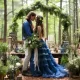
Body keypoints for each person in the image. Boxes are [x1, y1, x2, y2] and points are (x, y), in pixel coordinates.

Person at [22, 11, 36, 76]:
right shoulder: (26, 23)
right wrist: (34, 37)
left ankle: (26, 69)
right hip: (27, 41)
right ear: (31, 16)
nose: (35, 18)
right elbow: (28, 34)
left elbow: (32, 30)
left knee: (29, 55)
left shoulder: (29, 22)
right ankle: (24, 71)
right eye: (34, 16)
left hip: (29, 40)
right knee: (27, 55)